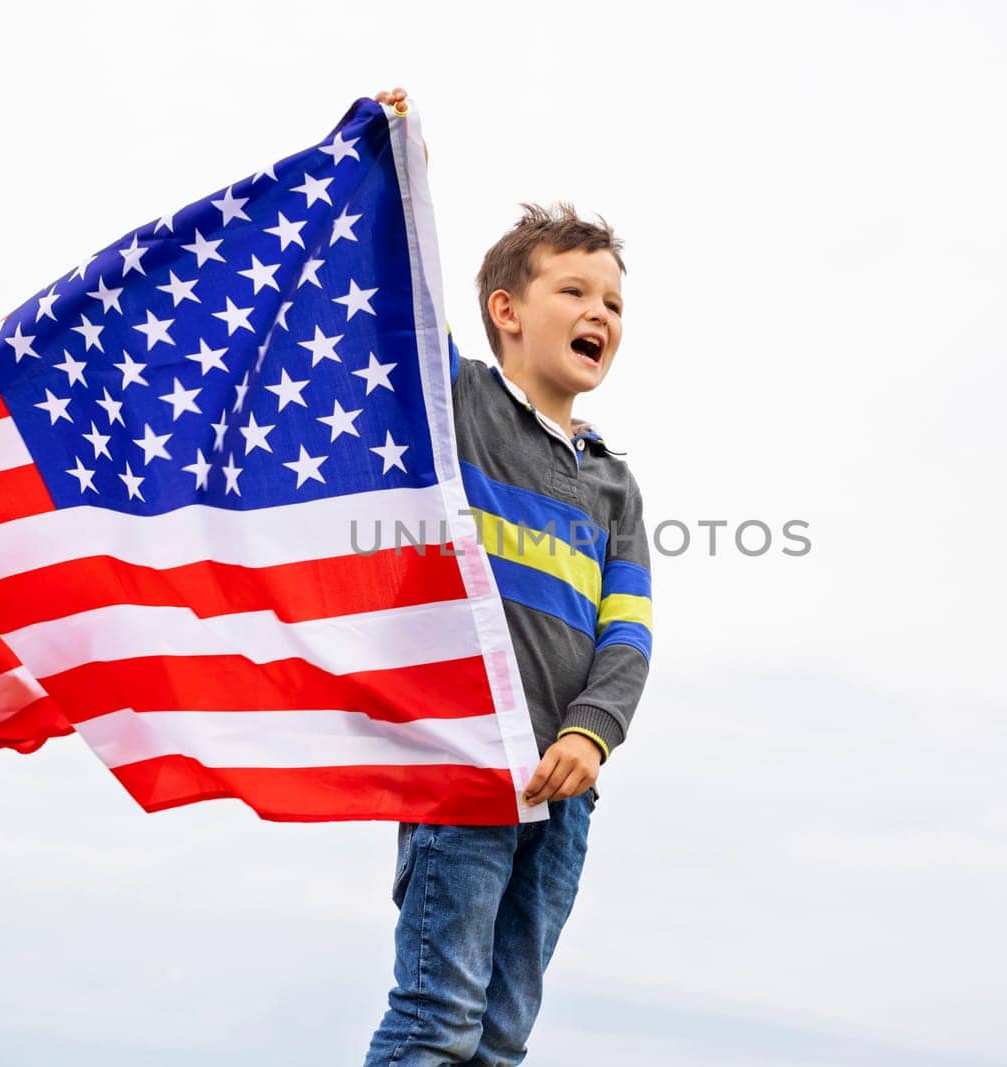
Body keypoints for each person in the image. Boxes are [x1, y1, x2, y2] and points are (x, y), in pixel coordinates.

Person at [364, 87, 653, 1066]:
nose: (597, 312)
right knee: (437, 1017)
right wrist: (401, 175)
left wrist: (590, 732)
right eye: (573, 290)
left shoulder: (613, 482)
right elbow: (400, 315)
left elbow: (628, 636)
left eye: (612, 302)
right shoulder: (465, 410)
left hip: (563, 788)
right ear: (508, 311)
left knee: (499, 1039)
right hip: (466, 762)